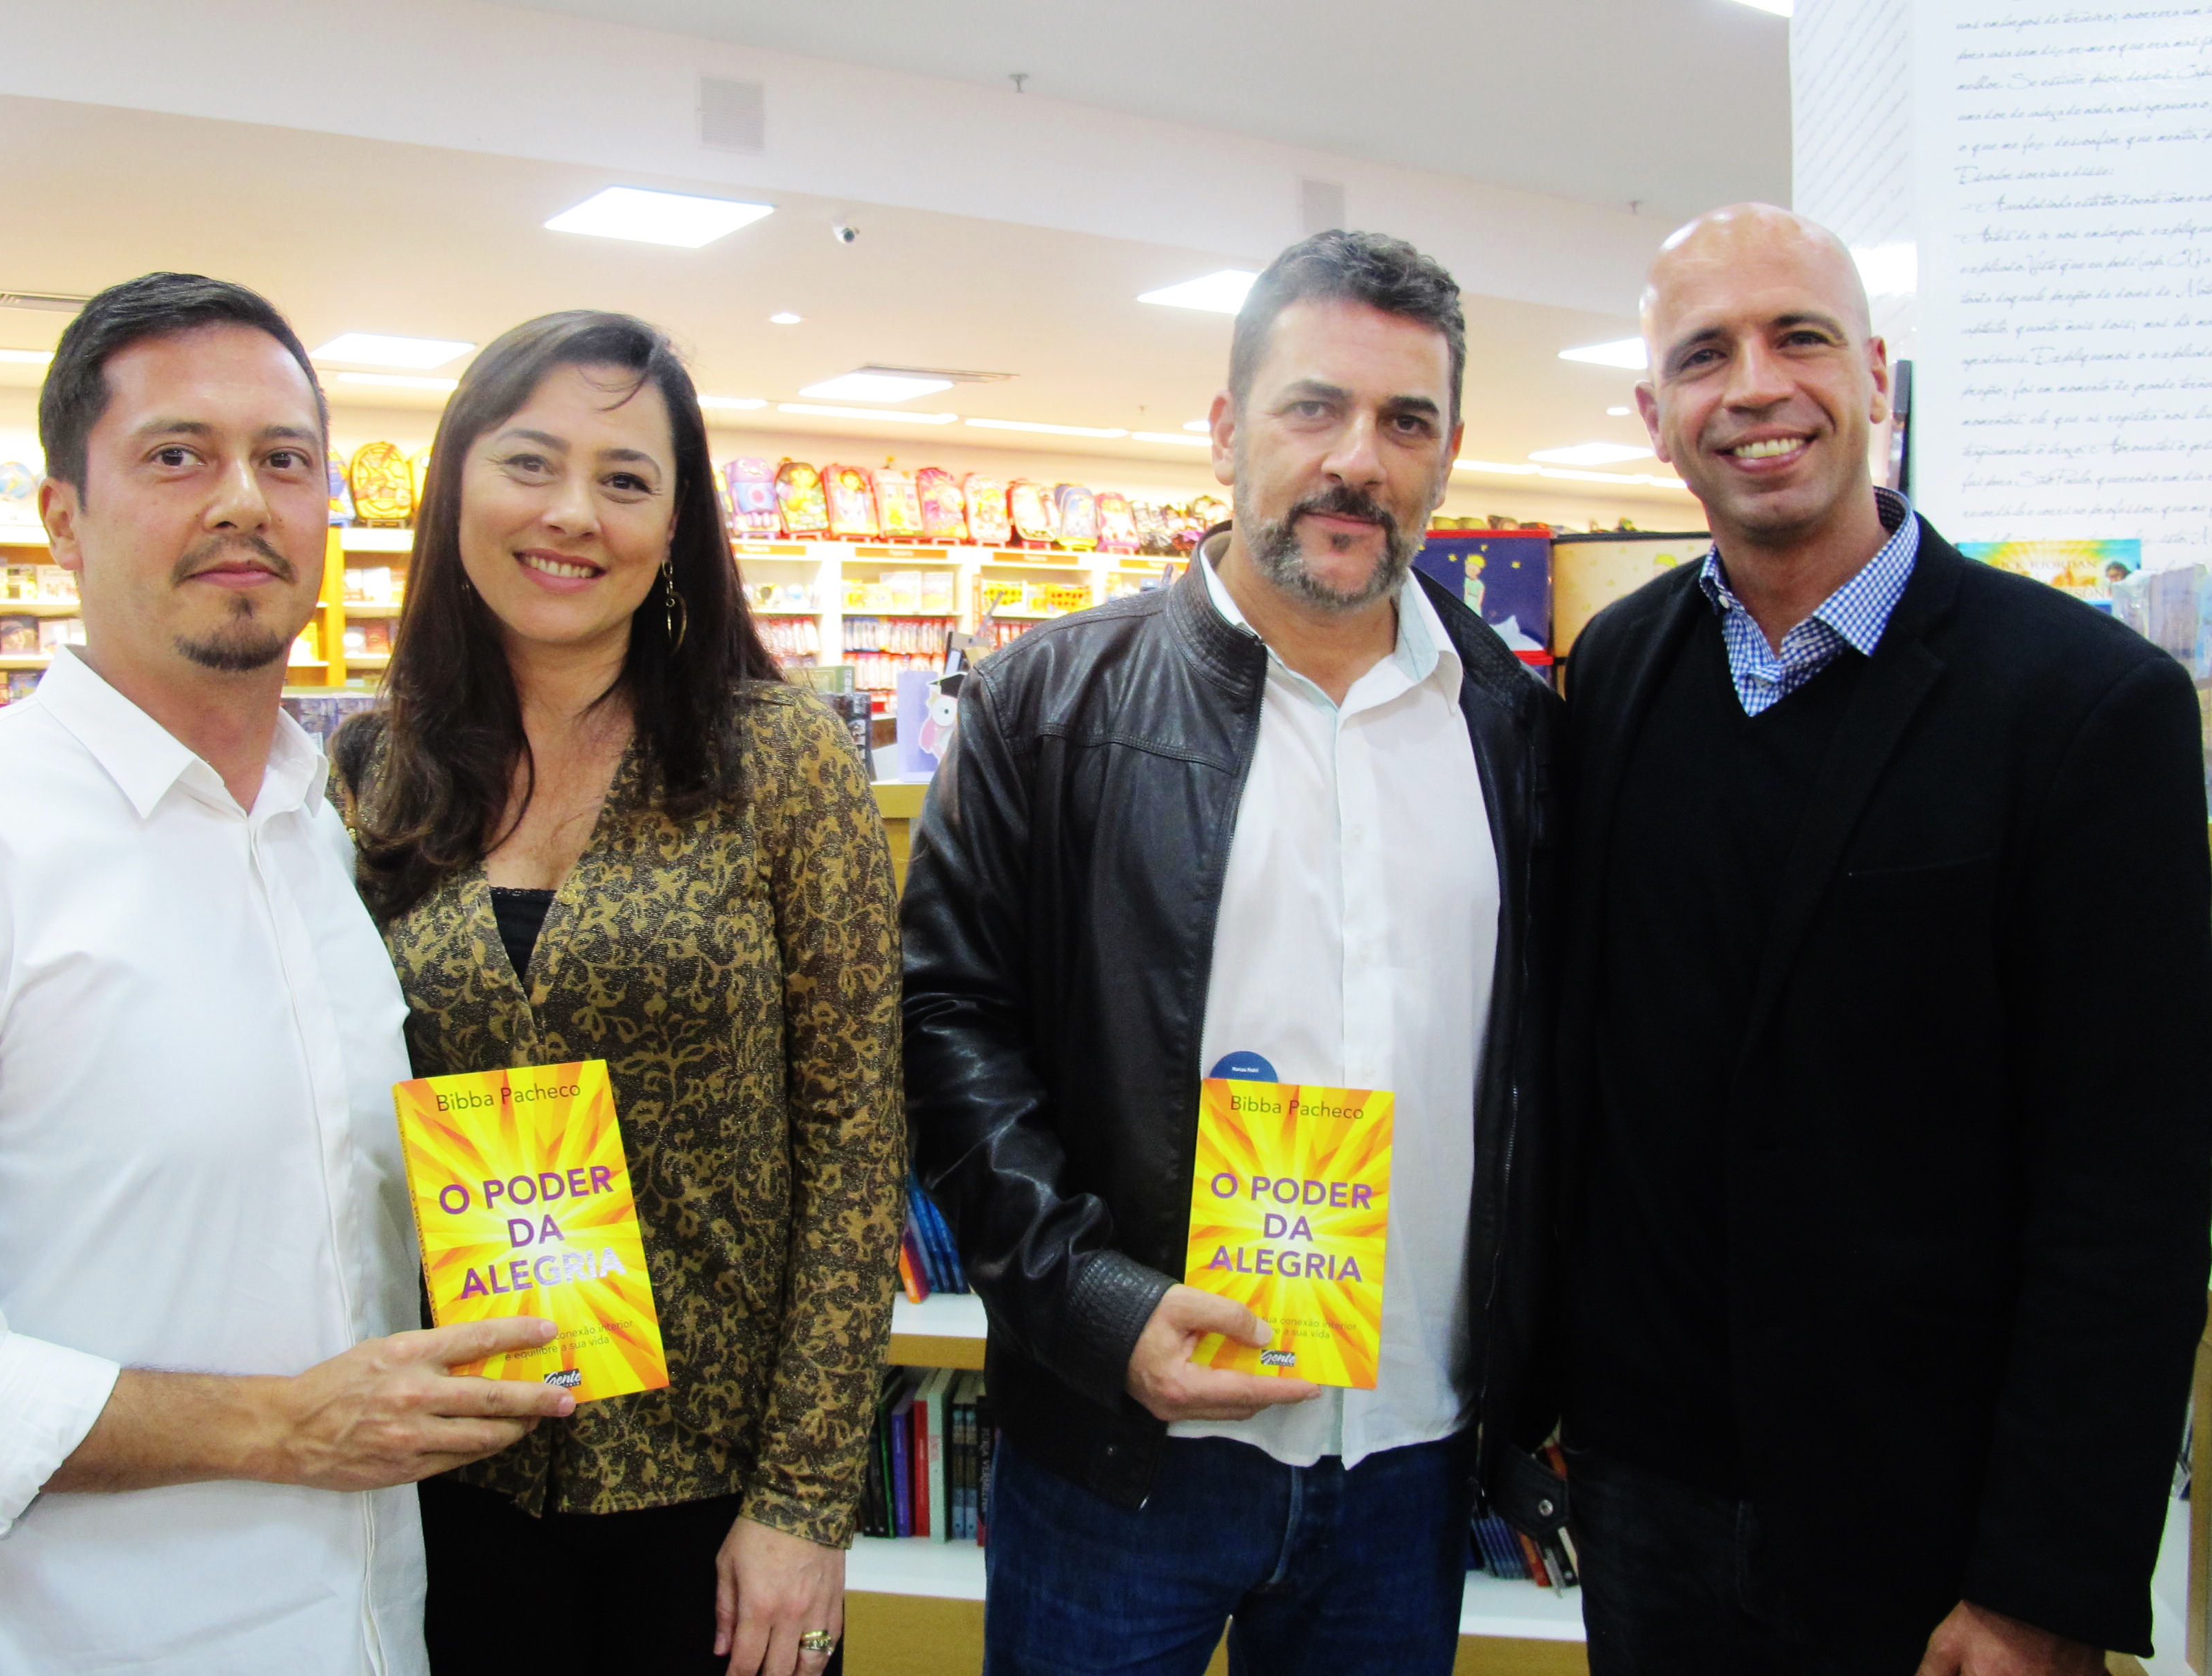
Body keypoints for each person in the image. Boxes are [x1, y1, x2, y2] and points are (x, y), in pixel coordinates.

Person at [0, 273, 573, 1675]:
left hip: (367, 1627)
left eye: (285, 461)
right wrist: (280, 1426)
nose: (243, 500)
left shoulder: (328, 833)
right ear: (62, 517)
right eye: (177, 455)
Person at [1557, 204, 2212, 1674]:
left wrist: (2044, 1582)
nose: (1757, 388)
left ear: (1873, 378)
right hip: (1651, 1496)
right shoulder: (1617, 674)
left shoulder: (2084, 708)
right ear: (1655, 418)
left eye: (1799, 337)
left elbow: (2133, 1187)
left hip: (1937, 1524)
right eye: (1705, 355)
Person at [901, 230, 1561, 1676]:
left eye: (1407, 422)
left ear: (1451, 455)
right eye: (1313, 407)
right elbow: (948, 1026)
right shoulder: (1046, 707)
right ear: (1225, 430)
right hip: (1125, 1446)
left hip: (1408, 1453)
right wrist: (1096, 1307)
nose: (1357, 462)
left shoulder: (1516, 728)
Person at [330, 309, 903, 1676]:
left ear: (675, 523)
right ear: (456, 483)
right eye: (530, 463)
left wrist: (804, 1499)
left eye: (626, 479)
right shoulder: (372, 772)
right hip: (455, 1469)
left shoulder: (780, 757)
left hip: (719, 1487)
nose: (573, 514)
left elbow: (856, 1138)